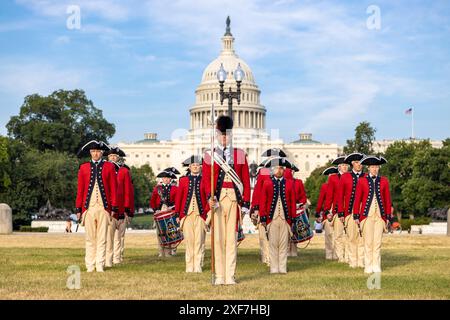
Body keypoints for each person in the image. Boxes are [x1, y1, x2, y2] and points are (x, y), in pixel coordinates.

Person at [202, 115, 251, 285]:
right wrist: (210, 196)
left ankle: (230, 275)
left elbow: (245, 179)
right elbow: (206, 179)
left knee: (231, 238)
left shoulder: (239, 153)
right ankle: (219, 275)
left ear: (231, 136)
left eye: (227, 135)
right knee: (218, 239)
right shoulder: (210, 154)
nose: (224, 138)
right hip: (218, 200)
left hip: (234, 200)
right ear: (217, 135)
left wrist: (245, 203)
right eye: (221, 135)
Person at [75, 140, 117, 272]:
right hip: (88, 208)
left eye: (98, 151)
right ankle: (90, 265)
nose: (95, 154)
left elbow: (113, 189)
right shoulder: (84, 167)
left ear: (102, 153)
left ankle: (100, 264)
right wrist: (78, 209)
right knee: (89, 238)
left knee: (102, 238)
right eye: (93, 151)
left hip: (104, 208)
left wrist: (113, 208)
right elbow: (80, 189)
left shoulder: (109, 167)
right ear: (90, 153)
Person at [353, 155, 393, 274]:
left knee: (377, 242)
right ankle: (368, 265)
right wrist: (356, 215)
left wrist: (388, 216)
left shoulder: (384, 181)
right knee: (368, 242)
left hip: (380, 216)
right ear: (368, 168)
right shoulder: (362, 181)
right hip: (366, 216)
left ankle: (376, 265)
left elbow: (387, 200)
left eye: (376, 167)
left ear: (379, 168)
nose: (375, 169)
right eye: (372, 167)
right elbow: (357, 199)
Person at [259, 157, 297, 274]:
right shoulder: (267, 183)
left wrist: (293, 218)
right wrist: (264, 217)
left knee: (284, 244)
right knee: (273, 244)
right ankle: (274, 268)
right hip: (272, 218)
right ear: (273, 170)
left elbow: (292, 201)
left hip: (286, 219)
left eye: (281, 168)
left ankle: (282, 267)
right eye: (277, 168)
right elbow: (263, 201)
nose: (279, 170)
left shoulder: (290, 183)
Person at [175, 155, 209, 273]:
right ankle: (189, 266)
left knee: (199, 241)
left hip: (200, 215)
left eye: (198, 165)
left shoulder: (205, 180)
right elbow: (179, 198)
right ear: (189, 167)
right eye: (193, 165)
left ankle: (198, 265)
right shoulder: (183, 180)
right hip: (187, 214)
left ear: (201, 167)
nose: (195, 167)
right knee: (189, 241)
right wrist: (178, 215)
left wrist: (207, 213)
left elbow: (207, 197)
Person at [105, 146, 134, 266]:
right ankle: (108, 259)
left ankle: (117, 257)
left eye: (115, 156)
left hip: (121, 209)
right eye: (111, 156)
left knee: (119, 237)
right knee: (108, 237)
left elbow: (128, 191)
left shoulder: (124, 171)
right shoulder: (104, 170)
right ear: (108, 157)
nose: (113, 158)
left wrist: (127, 209)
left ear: (118, 158)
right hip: (109, 209)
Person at [337, 152, 366, 268]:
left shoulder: (366, 176)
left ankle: (361, 261)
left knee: (363, 237)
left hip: (364, 212)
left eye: (361, 163)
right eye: (357, 162)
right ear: (352, 164)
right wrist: (341, 213)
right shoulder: (345, 177)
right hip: (349, 212)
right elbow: (340, 195)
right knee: (351, 237)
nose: (359, 165)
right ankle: (353, 261)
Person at [323, 156, 349, 262]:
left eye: (346, 165)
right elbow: (329, 195)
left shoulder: (352, 177)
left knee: (349, 235)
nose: (345, 167)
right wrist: (327, 210)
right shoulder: (333, 178)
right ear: (338, 167)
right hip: (337, 209)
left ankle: (348, 256)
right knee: (338, 235)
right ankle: (340, 257)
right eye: (343, 165)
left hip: (349, 210)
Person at [150, 169, 178, 257]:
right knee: (160, 232)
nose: (166, 179)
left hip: (170, 212)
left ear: (170, 179)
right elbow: (152, 201)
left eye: (168, 178)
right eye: (164, 178)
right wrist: (155, 210)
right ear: (162, 179)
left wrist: (174, 210)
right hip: (159, 211)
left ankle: (168, 252)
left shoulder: (175, 188)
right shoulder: (157, 188)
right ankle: (160, 252)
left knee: (170, 231)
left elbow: (177, 201)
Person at [250, 159, 271, 266]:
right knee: (263, 235)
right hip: (264, 207)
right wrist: (256, 208)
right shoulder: (265, 171)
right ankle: (266, 257)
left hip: (278, 208)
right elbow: (257, 191)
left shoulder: (284, 172)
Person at [315, 166, 338, 260]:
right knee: (328, 235)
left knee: (336, 235)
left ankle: (336, 253)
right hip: (327, 213)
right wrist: (317, 212)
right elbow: (321, 200)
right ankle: (329, 254)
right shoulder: (325, 186)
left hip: (337, 212)